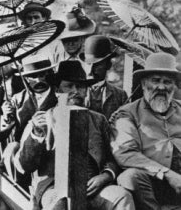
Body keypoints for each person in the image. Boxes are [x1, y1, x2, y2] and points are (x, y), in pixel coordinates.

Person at [14, 60, 135, 210]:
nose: (76, 91)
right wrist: (37, 135)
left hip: (91, 188)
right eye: (69, 86)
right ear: (57, 90)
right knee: (60, 205)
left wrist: (106, 176)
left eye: (80, 86)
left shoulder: (98, 120)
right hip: (54, 190)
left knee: (122, 196)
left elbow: (114, 156)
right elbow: (23, 166)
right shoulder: (42, 121)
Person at [111, 52, 181, 210]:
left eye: (168, 82)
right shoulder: (127, 114)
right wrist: (167, 174)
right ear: (143, 84)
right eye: (156, 81)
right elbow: (125, 153)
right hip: (154, 183)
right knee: (130, 177)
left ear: (174, 86)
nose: (162, 87)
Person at [0, 55, 58, 190]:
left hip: (49, 153)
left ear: (49, 74)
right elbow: (2, 132)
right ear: (25, 78)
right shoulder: (17, 99)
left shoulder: (59, 96)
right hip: (24, 154)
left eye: (42, 74)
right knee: (12, 148)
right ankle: (19, 189)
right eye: (33, 76)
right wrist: (6, 116)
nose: (38, 80)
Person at [79, 35, 128, 119]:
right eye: (88, 64)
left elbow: (126, 124)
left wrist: (116, 122)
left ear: (108, 65)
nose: (90, 70)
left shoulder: (120, 95)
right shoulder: (75, 91)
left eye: (97, 64)